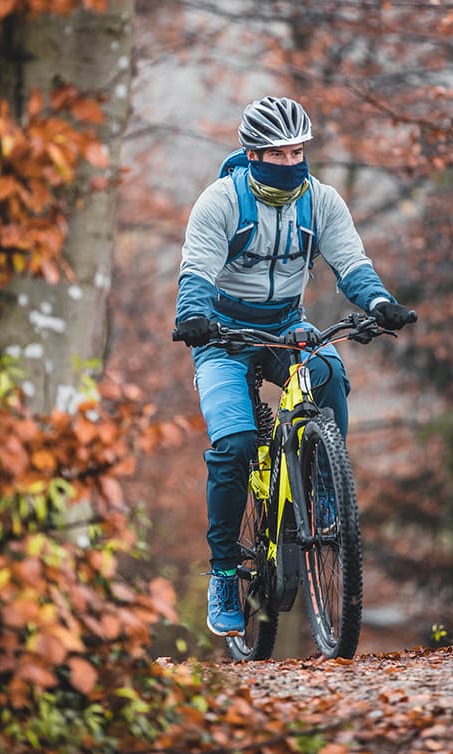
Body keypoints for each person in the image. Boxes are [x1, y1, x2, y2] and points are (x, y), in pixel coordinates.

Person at [173, 95, 415, 638]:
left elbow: (351, 263)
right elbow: (196, 274)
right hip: (222, 335)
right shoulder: (221, 203)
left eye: (298, 151)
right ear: (252, 153)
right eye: (278, 153)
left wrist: (378, 303)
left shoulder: (321, 201)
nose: (290, 163)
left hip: (287, 327)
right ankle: (225, 572)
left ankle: (327, 485)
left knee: (329, 375)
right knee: (234, 446)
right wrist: (193, 317)